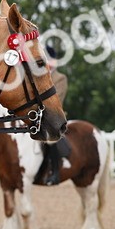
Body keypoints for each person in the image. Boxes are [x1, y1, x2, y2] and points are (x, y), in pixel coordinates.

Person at [37, 40, 70, 186]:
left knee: (51, 140)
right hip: (37, 116)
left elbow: (58, 98)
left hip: (54, 116)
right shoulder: (39, 77)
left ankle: (55, 172)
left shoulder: (60, 78)